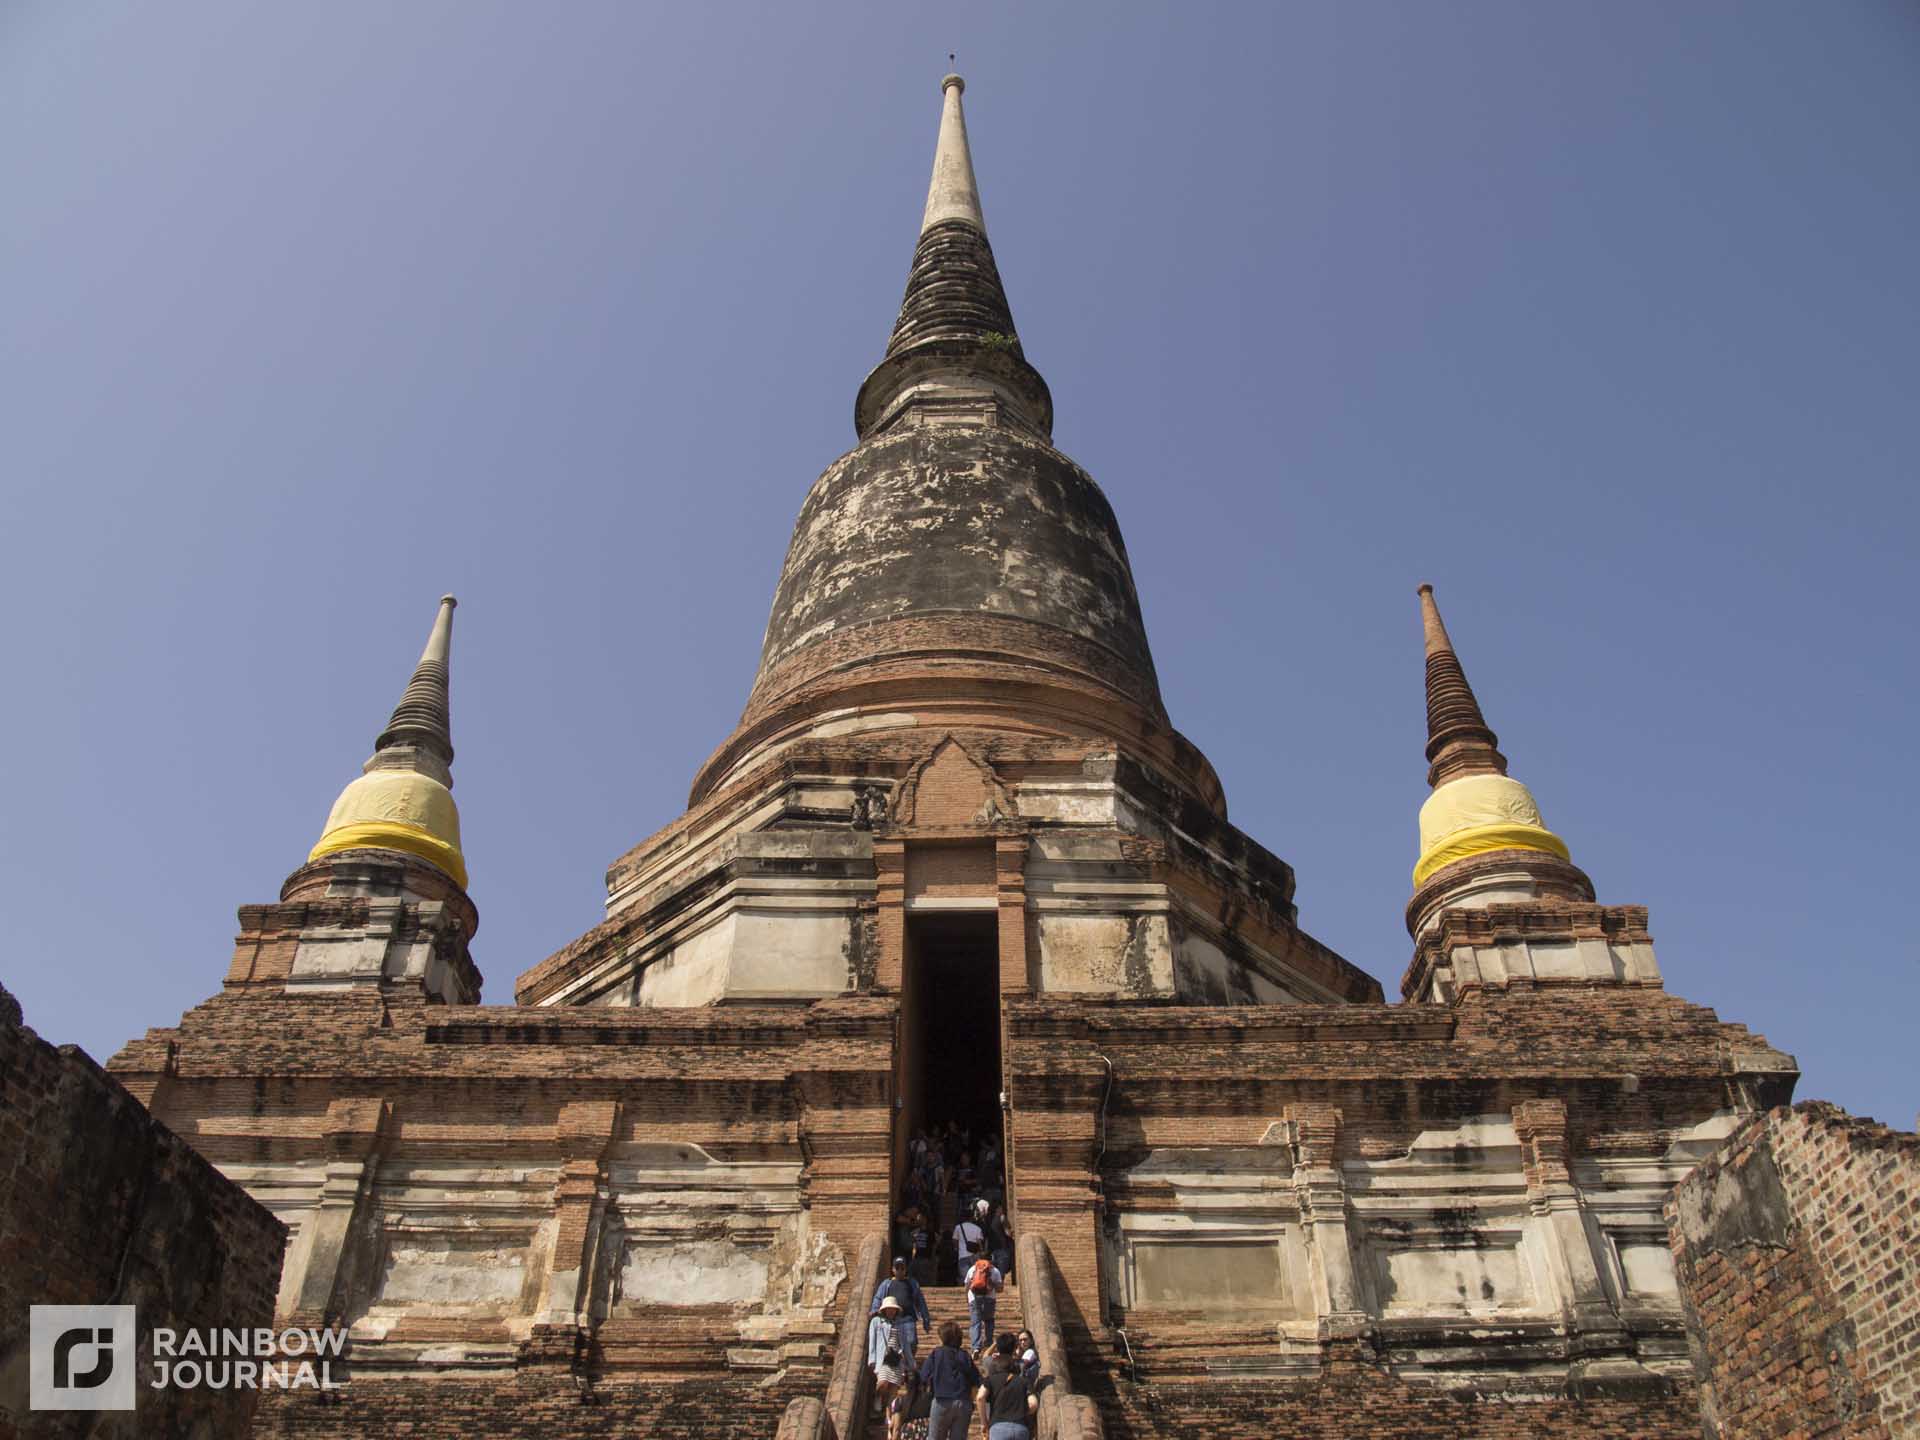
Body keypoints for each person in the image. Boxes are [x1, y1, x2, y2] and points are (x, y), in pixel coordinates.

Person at [917, 1320, 982, 1440]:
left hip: (942, 1400)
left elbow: (923, 1376)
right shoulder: (965, 1355)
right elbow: (977, 1379)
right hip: (963, 1402)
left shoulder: (936, 1353)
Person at [976, 1332, 1038, 1440]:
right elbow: (1033, 1404)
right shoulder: (1021, 1367)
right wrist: (1020, 1413)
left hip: (997, 1418)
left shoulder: (991, 1364)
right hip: (1020, 1425)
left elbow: (980, 1397)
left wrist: (984, 1422)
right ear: (1014, 1348)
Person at [869, 1254, 933, 1355]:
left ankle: (909, 1362)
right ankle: (898, 1363)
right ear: (893, 1269)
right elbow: (878, 1297)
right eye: (897, 1268)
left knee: (911, 1342)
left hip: (908, 1318)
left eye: (902, 1268)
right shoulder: (887, 1283)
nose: (899, 1270)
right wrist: (874, 1309)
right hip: (891, 1319)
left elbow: (920, 1301)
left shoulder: (911, 1283)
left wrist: (926, 1319)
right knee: (893, 1344)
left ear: (905, 1269)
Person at [868, 1294, 910, 1421]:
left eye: (893, 1309)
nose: (891, 1311)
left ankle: (888, 1416)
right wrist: (872, 1359)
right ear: (884, 1309)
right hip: (883, 1358)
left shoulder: (900, 1324)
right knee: (882, 1382)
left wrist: (910, 1362)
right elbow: (872, 1341)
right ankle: (878, 1397)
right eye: (889, 1309)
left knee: (893, 1390)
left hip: (896, 1358)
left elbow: (905, 1343)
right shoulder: (876, 1322)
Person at [963, 1248, 1003, 1350]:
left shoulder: (972, 1269)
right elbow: (1000, 1289)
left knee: (975, 1322)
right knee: (989, 1321)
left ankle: (976, 1346)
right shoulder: (995, 1270)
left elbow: (967, 1286)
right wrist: (991, 1283)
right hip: (990, 1298)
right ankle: (988, 1342)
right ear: (990, 1259)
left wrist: (966, 1298)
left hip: (974, 1299)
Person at [952, 1205, 987, 1286]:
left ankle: (967, 1293)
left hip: (963, 1255)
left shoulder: (958, 1227)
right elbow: (980, 1242)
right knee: (976, 1277)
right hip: (975, 1256)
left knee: (965, 1278)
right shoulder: (977, 1228)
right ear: (971, 1217)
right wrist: (981, 1252)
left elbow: (955, 1241)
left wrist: (958, 1248)